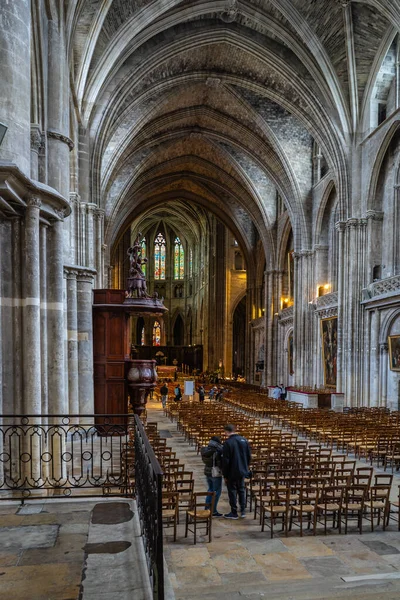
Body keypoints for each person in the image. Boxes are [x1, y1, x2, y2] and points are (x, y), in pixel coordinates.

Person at [222, 424, 251, 519]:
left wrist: (225, 475)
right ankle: (243, 511)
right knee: (241, 490)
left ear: (226, 431)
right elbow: (249, 456)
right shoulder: (244, 440)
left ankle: (234, 512)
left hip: (232, 471)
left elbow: (226, 461)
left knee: (232, 491)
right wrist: (245, 468)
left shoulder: (227, 443)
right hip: (242, 470)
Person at [201, 436, 223, 517]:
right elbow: (219, 462)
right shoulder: (217, 450)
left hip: (207, 471)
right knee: (216, 492)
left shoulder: (205, 449)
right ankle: (213, 511)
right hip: (215, 473)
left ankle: (207, 509)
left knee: (210, 490)